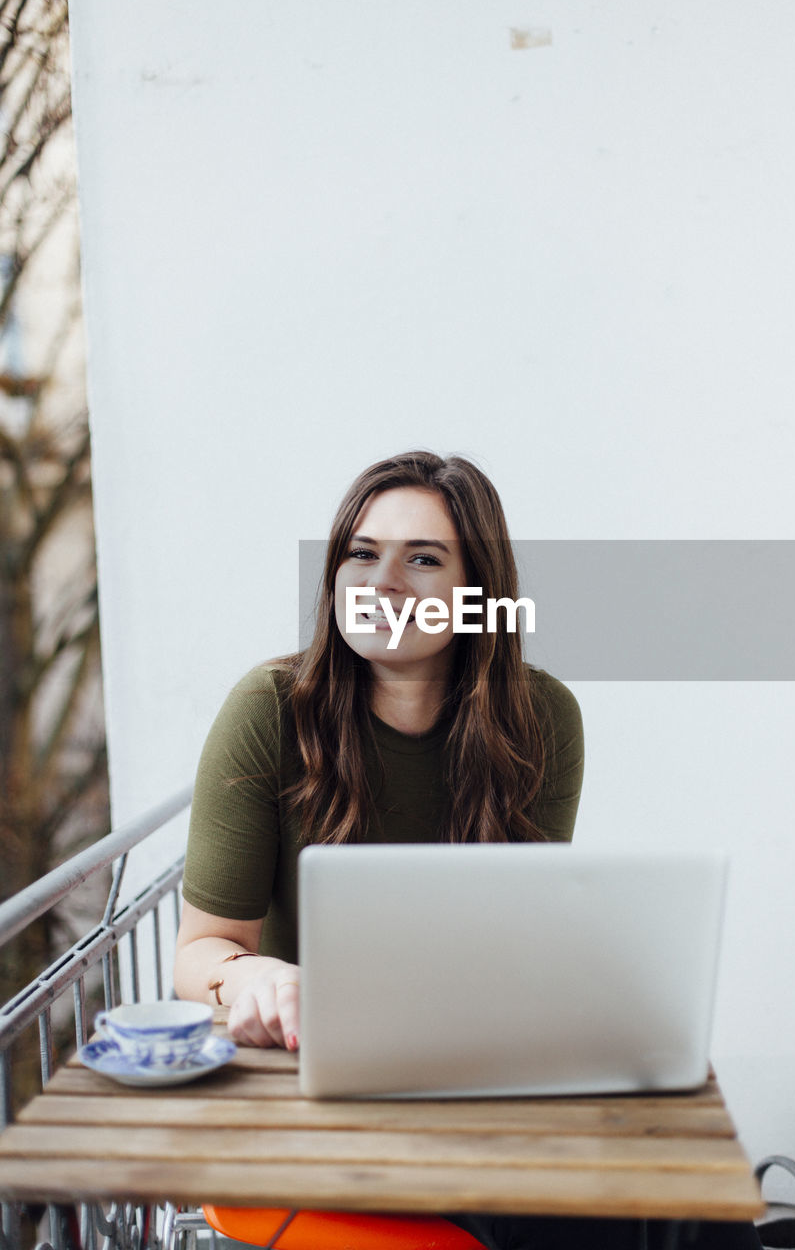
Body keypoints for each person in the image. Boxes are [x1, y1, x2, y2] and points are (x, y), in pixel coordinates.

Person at [174, 450, 759, 1250]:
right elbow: (200, 952)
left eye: (421, 559)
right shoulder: (269, 710)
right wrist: (257, 976)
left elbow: (528, 941)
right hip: (312, 1096)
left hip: (479, 1084)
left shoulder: (541, 718)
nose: (381, 583)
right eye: (361, 553)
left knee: (699, 1199)